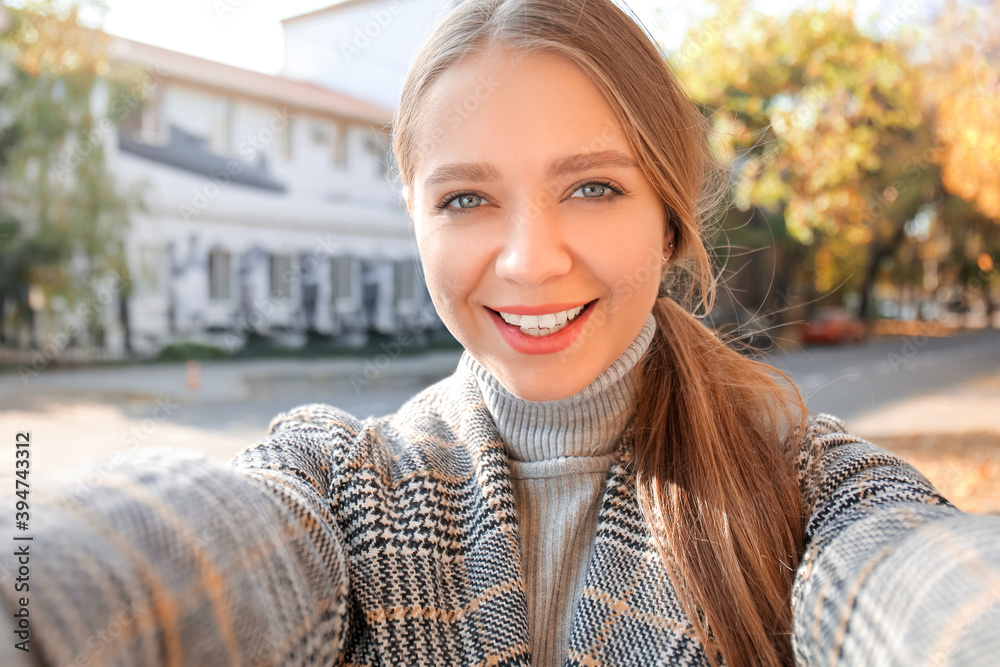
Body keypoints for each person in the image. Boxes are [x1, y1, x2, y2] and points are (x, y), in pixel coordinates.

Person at [3, 1, 999, 665]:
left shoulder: (807, 485)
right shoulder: (347, 485)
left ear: (668, 212)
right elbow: (154, 561)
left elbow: (928, 591)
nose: (527, 260)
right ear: (413, 215)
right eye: (468, 197)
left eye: (593, 186)